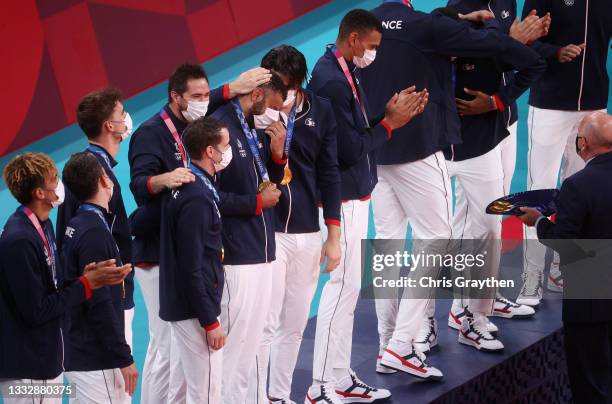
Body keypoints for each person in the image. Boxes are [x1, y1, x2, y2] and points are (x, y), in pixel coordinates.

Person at [360, 0, 543, 376]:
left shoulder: (374, 26)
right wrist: (491, 29)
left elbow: (527, 62)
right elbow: (500, 45)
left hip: (421, 149)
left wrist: (496, 100)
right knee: (437, 238)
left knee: (469, 232)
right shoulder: (428, 26)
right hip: (429, 150)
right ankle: (411, 332)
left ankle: (453, 319)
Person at [128, 63, 271, 402]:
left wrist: (229, 90)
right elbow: (138, 187)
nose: (204, 102)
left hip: (182, 246)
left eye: (207, 95)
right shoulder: (151, 133)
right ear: (175, 97)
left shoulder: (198, 128)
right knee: (165, 348)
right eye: (196, 97)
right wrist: (166, 179)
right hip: (158, 252)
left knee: (183, 359)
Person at [307, 9, 429, 401]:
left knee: (349, 290)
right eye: (372, 47)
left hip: (355, 195)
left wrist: (383, 116)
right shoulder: (330, 81)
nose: (374, 54)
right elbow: (349, 150)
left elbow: (355, 132)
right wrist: (390, 123)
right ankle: (321, 386)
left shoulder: (344, 70)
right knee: (341, 290)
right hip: (342, 200)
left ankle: (339, 378)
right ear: (354, 39)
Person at [439, 2, 546, 349]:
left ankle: (482, 298)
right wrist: (509, 41)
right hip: (470, 134)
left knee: (493, 218)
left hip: (503, 122)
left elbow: (513, 59)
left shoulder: (503, 1)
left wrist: (499, 99)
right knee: (467, 219)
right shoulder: (456, 9)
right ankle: (462, 305)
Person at [248, 45, 342, 404]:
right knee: (265, 324)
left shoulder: (322, 111)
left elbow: (329, 173)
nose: (273, 93)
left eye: (282, 85)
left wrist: (333, 236)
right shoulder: (255, 114)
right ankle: (256, 398)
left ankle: (278, 396)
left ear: (297, 85)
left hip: (307, 231)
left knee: (295, 324)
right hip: (268, 233)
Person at [0, 152, 131, 404]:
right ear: (40, 193)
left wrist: (88, 278)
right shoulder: (19, 240)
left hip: (46, 361)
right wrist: (86, 284)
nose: (59, 184)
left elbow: (54, 288)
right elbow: (36, 310)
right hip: (29, 371)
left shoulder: (42, 225)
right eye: (54, 179)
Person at [519, 0, 612, 306]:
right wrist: (556, 52)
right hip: (549, 104)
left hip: (593, 107)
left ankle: (562, 269)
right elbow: (525, 43)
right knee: (539, 191)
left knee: (580, 193)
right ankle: (531, 277)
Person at [518, 111, 612, 403]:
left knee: (590, 387)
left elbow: (567, 244)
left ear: (582, 143)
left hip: (591, 305)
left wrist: (539, 222)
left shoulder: (578, 185)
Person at [210, 72, 287, 403]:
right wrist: (257, 203)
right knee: (233, 350)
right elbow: (209, 195)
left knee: (252, 345)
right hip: (237, 256)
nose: (276, 114)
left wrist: (278, 153)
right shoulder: (221, 128)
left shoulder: (249, 127)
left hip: (263, 249)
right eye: (273, 106)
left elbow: (260, 177)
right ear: (257, 95)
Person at [56, 87, 136, 355]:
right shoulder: (98, 177)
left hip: (92, 294)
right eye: (122, 113)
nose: (126, 117)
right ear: (109, 125)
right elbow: (96, 243)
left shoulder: (86, 166)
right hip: (107, 298)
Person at [159, 117, 228, 403]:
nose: (228, 151)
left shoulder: (188, 186)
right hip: (194, 309)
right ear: (210, 152)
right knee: (207, 390)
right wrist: (210, 320)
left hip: (186, 305)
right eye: (225, 145)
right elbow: (192, 266)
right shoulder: (196, 197)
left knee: (187, 388)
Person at [61, 153, 138, 403]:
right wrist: (124, 357)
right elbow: (100, 302)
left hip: (83, 354)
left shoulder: (80, 224)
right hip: (96, 360)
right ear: (104, 181)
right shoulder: (95, 233)